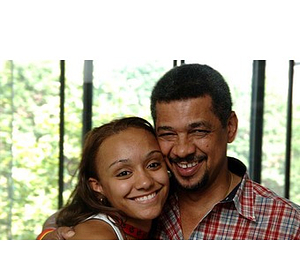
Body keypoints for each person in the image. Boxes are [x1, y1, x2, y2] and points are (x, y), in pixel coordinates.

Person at [40, 63, 300, 240]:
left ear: (229, 127)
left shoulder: (288, 224)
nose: (183, 150)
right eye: (167, 134)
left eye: (198, 131)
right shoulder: (148, 196)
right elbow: (69, 220)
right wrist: (50, 237)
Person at [37, 117, 169, 240]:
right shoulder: (97, 236)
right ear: (97, 186)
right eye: (123, 173)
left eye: (153, 165)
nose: (145, 182)